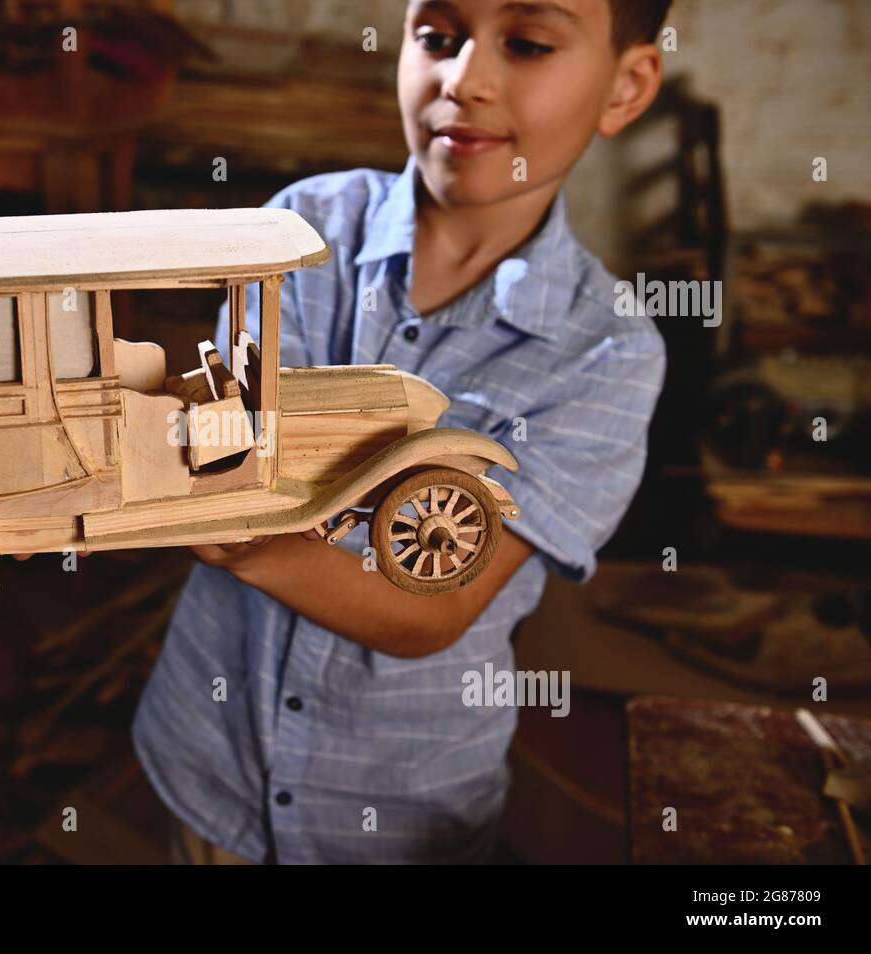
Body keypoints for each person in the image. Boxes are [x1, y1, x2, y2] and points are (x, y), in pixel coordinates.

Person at [134, 0, 672, 863]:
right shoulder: (300, 231)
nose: (464, 79)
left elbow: (434, 611)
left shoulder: (609, 354)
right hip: (210, 760)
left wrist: (241, 534)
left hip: (400, 815)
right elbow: (236, 436)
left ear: (628, 84)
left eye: (527, 43)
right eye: (436, 37)